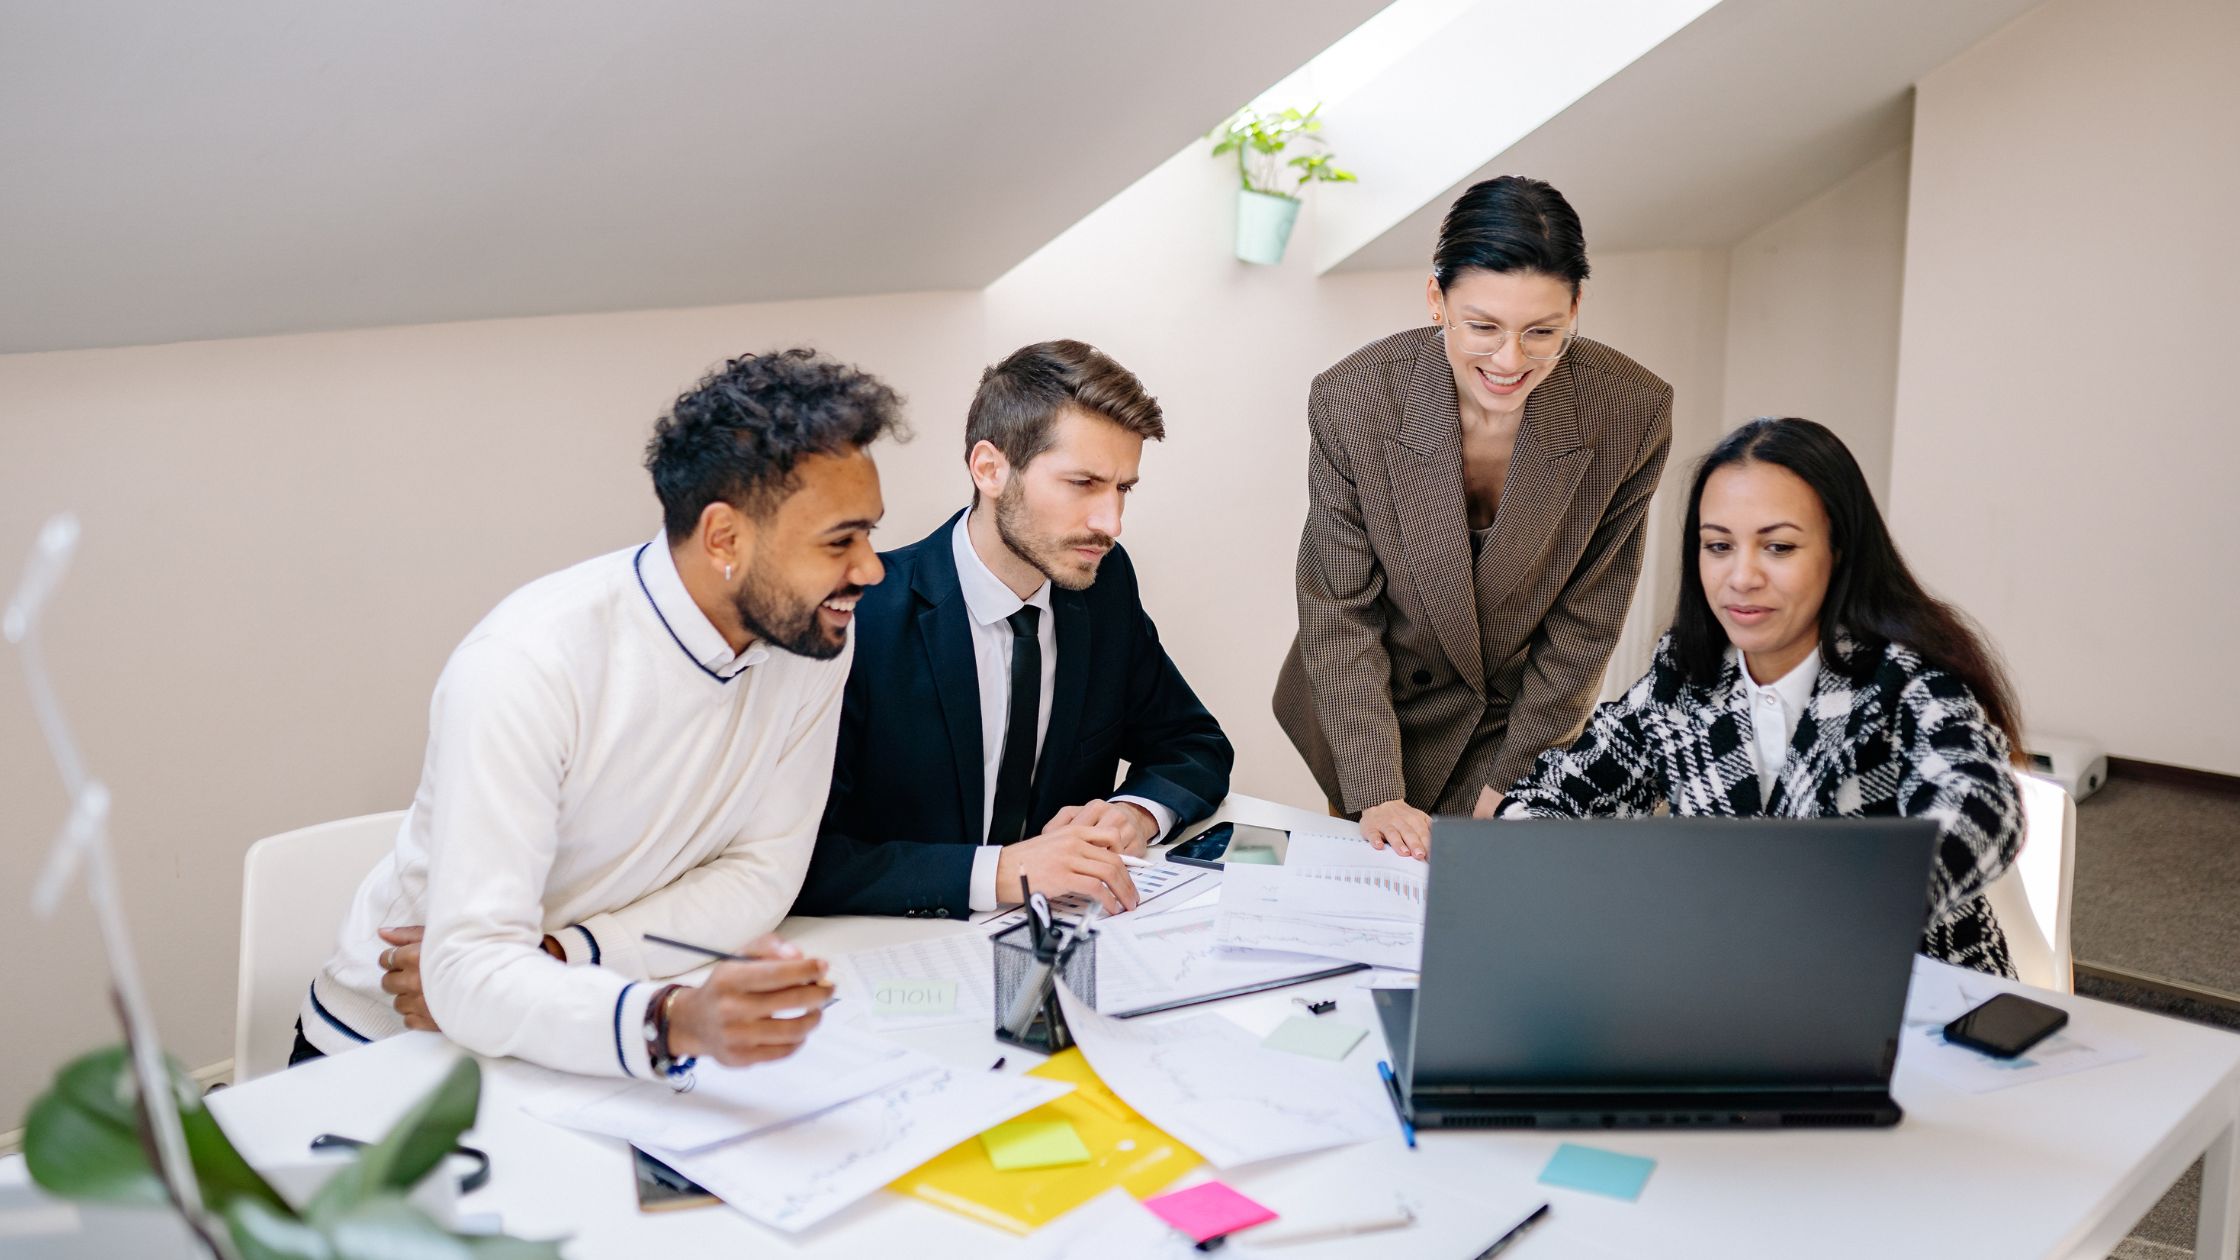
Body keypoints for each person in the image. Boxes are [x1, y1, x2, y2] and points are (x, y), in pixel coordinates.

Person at [296, 349, 906, 1076]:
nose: (871, 568)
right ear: (724, 539)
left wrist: (563, 956)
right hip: (392, 1049)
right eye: (840, 540)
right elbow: (463, 972)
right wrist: (672, 1021)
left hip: (583, 1020)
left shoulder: (812, 636)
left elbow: (763, 874)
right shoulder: (527, 665)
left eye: (869, 532)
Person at [1488, 417, 2025, 976]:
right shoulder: (1686, 673)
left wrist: (1861, 901)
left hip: (1912, 994)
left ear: (1838, 550)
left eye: (1778, 547)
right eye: (1718, 546)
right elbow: (1551, 795)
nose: (1741, 577)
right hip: (1738, 993)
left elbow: (1983, 807)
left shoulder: (1905, 674)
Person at [1274, 175, 1673, 859]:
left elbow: (1588, 621)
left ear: (1577, 307)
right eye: (1483, 327)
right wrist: (1376, 790)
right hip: (1372, 711)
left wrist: (1516, 780)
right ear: (1437, 299)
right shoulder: (1353, 400)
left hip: (1511, 719)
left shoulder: (1630, 412)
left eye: (1542, 331)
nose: (1510, 361)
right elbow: (1340, 611)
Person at [793, 340, 1233, 919]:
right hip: (897, 951)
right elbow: (803, 860)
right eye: (1083, 483)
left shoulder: (1103, 584)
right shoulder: (860, 616)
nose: (1111, 523)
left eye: (1122, 488)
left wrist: (1135, 813)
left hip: (1069, 939)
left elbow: (1193, 745)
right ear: (990, 469)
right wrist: (999, 872)